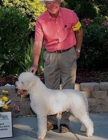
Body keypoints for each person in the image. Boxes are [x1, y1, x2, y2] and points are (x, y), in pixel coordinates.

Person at [29, 0, 83, 133]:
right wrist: (35, 63)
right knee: (49, 89)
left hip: (68, 54)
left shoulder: (70, 14)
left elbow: (79, 31)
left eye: (55, 2)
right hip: (51, 56)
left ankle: (65, 122)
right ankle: (51, 122)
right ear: (45, 5)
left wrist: (78, 50)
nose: (52, 5)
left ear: (59, 2)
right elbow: (37, 43)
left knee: (68, 89)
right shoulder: (41, 20)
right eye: (48, 3)